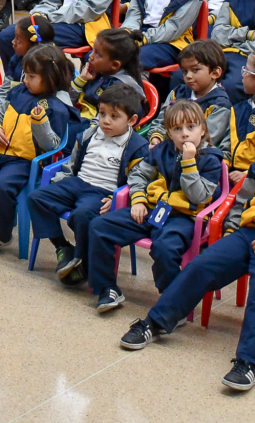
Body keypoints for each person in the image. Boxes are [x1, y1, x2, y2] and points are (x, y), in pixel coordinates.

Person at [118, 108, 255, 392]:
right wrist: (232, 232)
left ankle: (248, 363)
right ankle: (156, 322)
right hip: (246, 235)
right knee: (200, 266)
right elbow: (242, 201)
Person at [88, 98, 225, 312]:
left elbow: (198, 196)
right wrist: (139, 200)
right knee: (99, 226)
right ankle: (107, 288)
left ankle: (172, 304)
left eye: (191, 127)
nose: (185, 134)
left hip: (184, 217)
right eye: (177, 129)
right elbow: (139, 174)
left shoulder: (210, 160)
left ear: (203, 129)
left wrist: (189, 162)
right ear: (169, 133)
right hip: (154, 209)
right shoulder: (162, 150)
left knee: (165, 248)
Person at [29, 77, 148, 295]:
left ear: (131, 120)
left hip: (103, 191)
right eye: (102, 114)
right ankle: (63, 247)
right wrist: (61, 181)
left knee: (83, 214)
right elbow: (72, 163)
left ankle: (82, 261)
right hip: (78, 182)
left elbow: (138, 180)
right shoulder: (89, 134)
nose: (106, 121)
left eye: (114, 116)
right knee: (37, 198)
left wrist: (118, 199)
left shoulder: (138, 147)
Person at [0, 39, 74, 251]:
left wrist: (40, 123)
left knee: (2, 186)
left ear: (50, 79)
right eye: (25, 74)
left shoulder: (57, 108)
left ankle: (1, 233)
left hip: (24, 162)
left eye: (32, 76)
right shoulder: (18, 92)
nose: (25, 80)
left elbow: (52, 146)